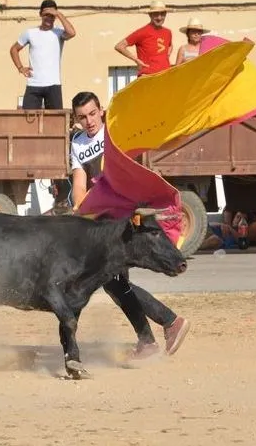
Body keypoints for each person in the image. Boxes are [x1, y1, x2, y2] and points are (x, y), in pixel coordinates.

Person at [70, 90, 191, 358]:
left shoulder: (115, 131)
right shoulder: (77, 143)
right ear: (76, 120)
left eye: (92, 114)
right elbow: (79, 183)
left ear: (101, 111)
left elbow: (148, 147)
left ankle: (169, 323)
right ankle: (152, 338)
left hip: (129, 216)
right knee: (114, 281)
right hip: (105, 222)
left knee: (113, 280)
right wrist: (80, 208)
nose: (89, 121)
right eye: (82, 117)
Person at [9, 0, 75, 110]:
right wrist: (20, 68)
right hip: (33, 84)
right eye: (46, 15)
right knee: (28, 118)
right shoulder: (30, 33)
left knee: (56, 119)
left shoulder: (59, 32)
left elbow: (72, 33)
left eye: (52, 15)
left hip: (53, 84)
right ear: (40, 14)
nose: (49, 18)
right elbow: (14, 49)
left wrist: (58, 14)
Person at [114, 1, 173, 76]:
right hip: (147, 76)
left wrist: (166, 56)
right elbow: (119, 46)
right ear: (150, 15)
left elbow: (170, 45)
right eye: (156, 14)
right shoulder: (142, 32)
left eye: (162, 14)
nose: (159, 17)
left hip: (165, 75)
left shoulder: (168, 32)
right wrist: (136, 60)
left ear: (165, 14)